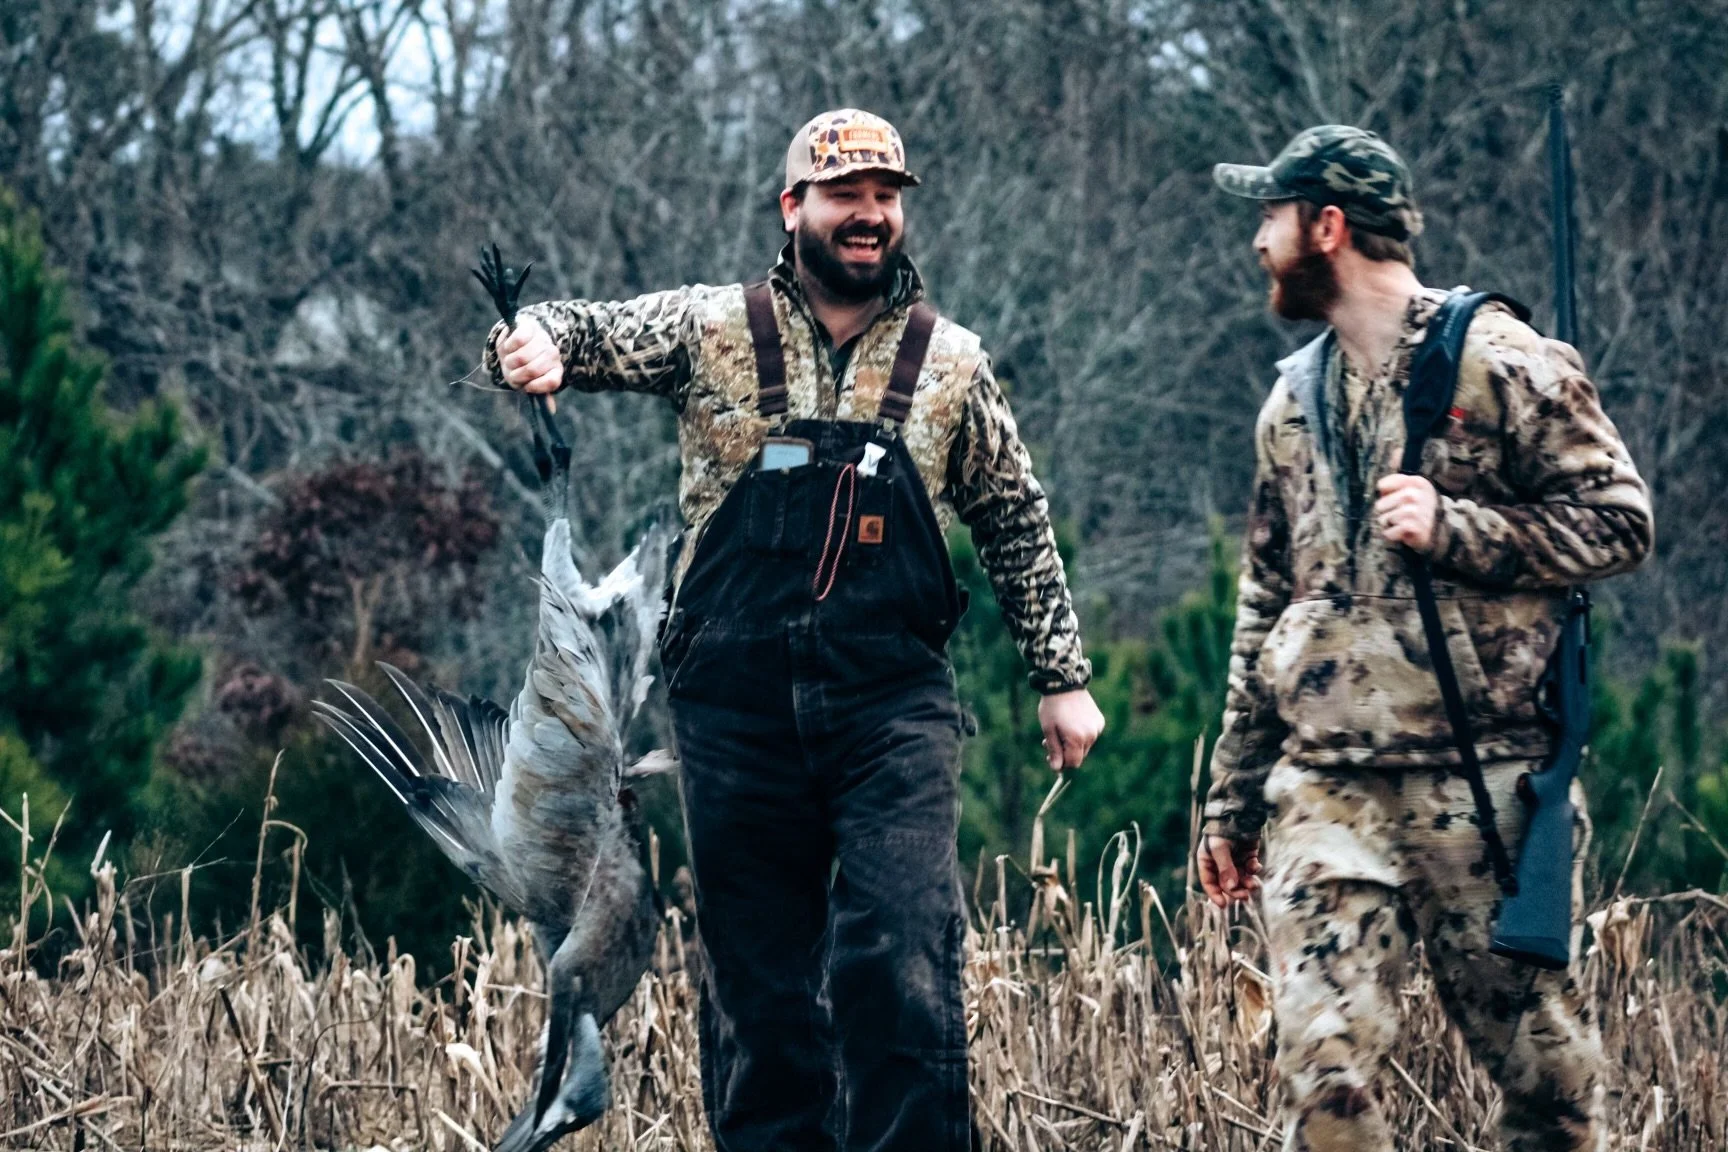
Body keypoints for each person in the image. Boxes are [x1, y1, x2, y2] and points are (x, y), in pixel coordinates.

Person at [485, 108, 1105, 1152]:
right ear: (792, 208)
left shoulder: (952, 363)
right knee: (760, 991)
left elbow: (1013, 515)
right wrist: (533, 340)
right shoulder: (710, 329)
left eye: (885, 196)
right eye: (845, 194)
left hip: (891, 707)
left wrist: (1061, 675)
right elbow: (577, 331)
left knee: (900, 954)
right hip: (735, 712)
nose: (869, 213)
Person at [1199, 124, 1653, 1152]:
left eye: (1272, 217)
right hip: (1327, 789)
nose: (1259, 242)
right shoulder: (1291, 400)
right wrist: (1231, 798)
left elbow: (1620, 523)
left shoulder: (1503, 360)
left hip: (1484, 784)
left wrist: (1458, 529)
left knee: (1551, 1096)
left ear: (1327, 227)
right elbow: (1264, 604)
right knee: (1324, 1079)